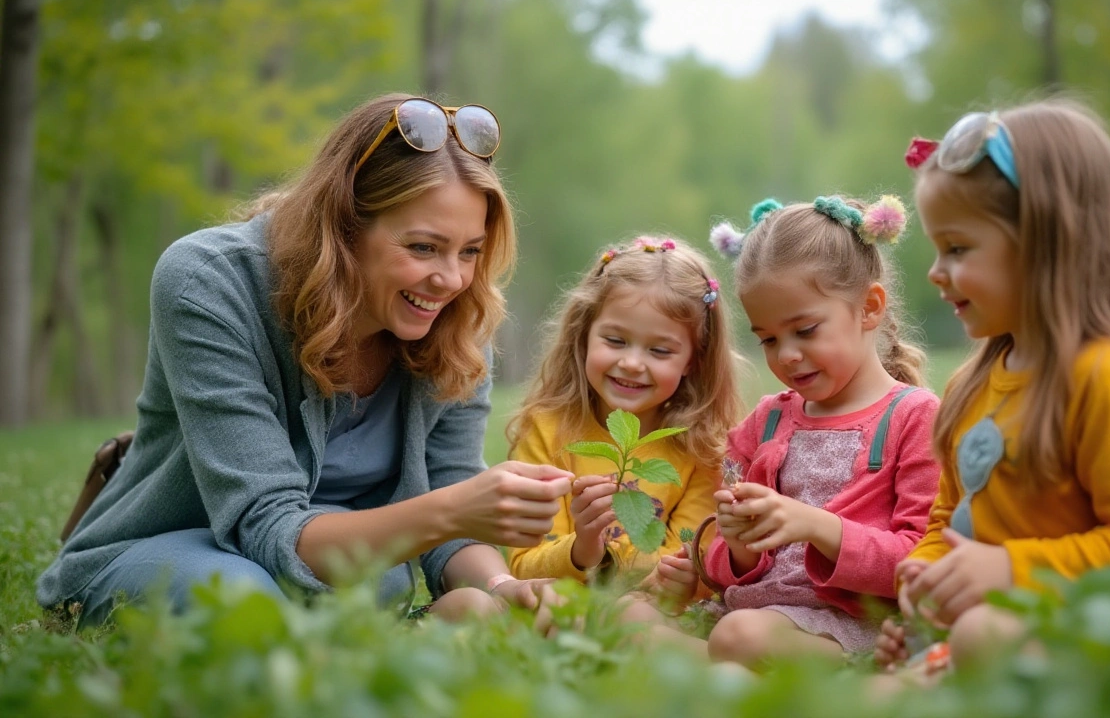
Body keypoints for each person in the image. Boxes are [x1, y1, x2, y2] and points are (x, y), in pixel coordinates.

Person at [38, 93, 575, 627]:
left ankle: (391, 639)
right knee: (245, 600)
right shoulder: (209, 282)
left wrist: (503, 585)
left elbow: (446, 493)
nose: (452, 280)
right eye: (422, 248)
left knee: (382, 576)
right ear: (343, 225)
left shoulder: (456, 319)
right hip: (165, 550)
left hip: (323, 564)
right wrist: (452, 509)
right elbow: (266, 523)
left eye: (470, 251)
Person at [875, 100, 1110, 673]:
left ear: (1048, 241)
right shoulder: (970, 385)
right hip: (1009, 627)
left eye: (957, 248)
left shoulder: (1106, 378)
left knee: (982, 634)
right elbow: (950, 516)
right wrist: (928, 573)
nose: (934, 271)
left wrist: (1008, 570)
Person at [658, 194, 941, 670]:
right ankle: (731, 673)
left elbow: (920, 560)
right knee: (629, 618)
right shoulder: (764, 422)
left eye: (805, 330)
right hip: (751, 613)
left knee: (737, 636)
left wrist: (817, 526)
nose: (786, 354)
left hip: (845, 624)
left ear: (869, 308)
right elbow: (726, 564)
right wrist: (740, 544)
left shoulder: (914, 417)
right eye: (768, 339)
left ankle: (843, 671)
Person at [506, 236, 742, 611]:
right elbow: (522, 565)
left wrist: (684, 580)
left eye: (660, 350)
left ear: (693, 361)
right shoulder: (548, 431)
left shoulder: (702, 448)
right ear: (583, 337)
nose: (632, 363)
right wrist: (584, 547)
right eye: (615, 340)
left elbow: (698, 557)